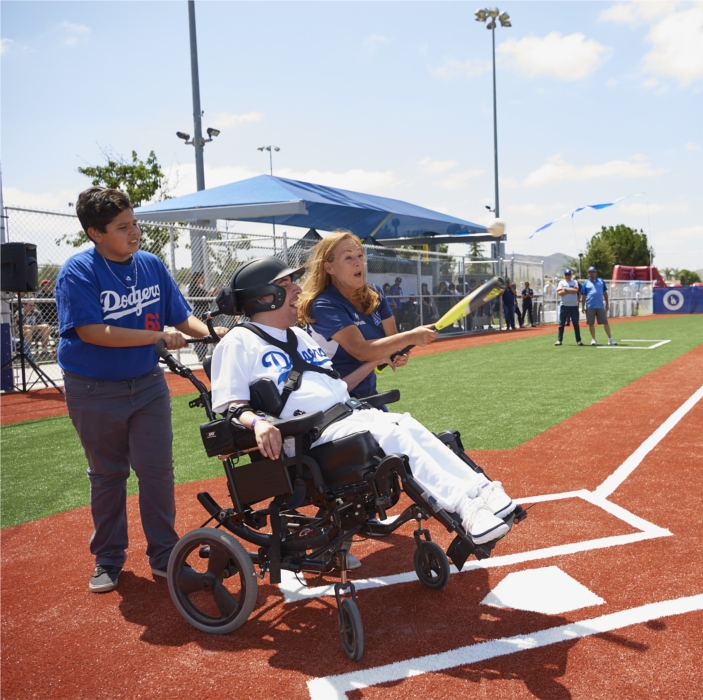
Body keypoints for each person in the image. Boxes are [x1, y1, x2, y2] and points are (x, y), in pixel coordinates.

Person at [210, 257, 515, 545]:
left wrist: (378, 359)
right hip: (305, 436)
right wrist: (259, 424)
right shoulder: (239, 341)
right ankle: (465, 507)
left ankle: (481, 490)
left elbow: (337, 387)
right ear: (265, 296)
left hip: (346, 416)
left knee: (404, 422)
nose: (298, 289)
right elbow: (230, 407)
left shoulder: (300, 337)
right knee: (389, 432)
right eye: (287, 284)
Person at [56, 186, 226, 593]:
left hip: (147, 385)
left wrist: (222, 338)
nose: (135, 233)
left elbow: (184, 321)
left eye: (134, 224)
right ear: (95, 232)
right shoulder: (78, 270)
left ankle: (165, 555)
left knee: (156, 472)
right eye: (122, 227)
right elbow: (92, 331)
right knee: (107, 475)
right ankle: (109, 558)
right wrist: (154, 337)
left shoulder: (150, 264)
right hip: (93, 389)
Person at [299, 231, 437, 401]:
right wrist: (410, 337)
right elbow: (360, 350)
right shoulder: (324, 304)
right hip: (332, 401)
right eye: (348, 258)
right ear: (329, 267)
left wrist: (397, 352)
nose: (358, 263)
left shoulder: (374, 293)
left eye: (359, 255)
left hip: (366, 394)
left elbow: (392, 340)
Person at [580, 266, 616, 346]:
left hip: (600, 306)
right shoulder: (586, 283)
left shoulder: (601, 281)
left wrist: (607, 303)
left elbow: (605, 293)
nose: (592, 273)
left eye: (593, 272)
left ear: (595, 272)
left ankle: (610, 339)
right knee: (591, 323)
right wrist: (583, 307)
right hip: (590, 306)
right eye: (590, 272)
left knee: (605, 322)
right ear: (588, 274)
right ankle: (593, 339)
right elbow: (583, 296)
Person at [554, 268, 582, 346]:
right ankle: (559, 340)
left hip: (574, 306)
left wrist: (565, 289)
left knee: (576, 323)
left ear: (571, 275)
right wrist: (570, 290)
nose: (567, 276)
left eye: (569, 274)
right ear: (564, 275)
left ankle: (578, 340)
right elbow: (559, 292)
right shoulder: (561, 282)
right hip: (564, 305)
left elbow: (576, 291)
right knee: (561, 324)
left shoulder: (575, 282)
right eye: (566, 275)